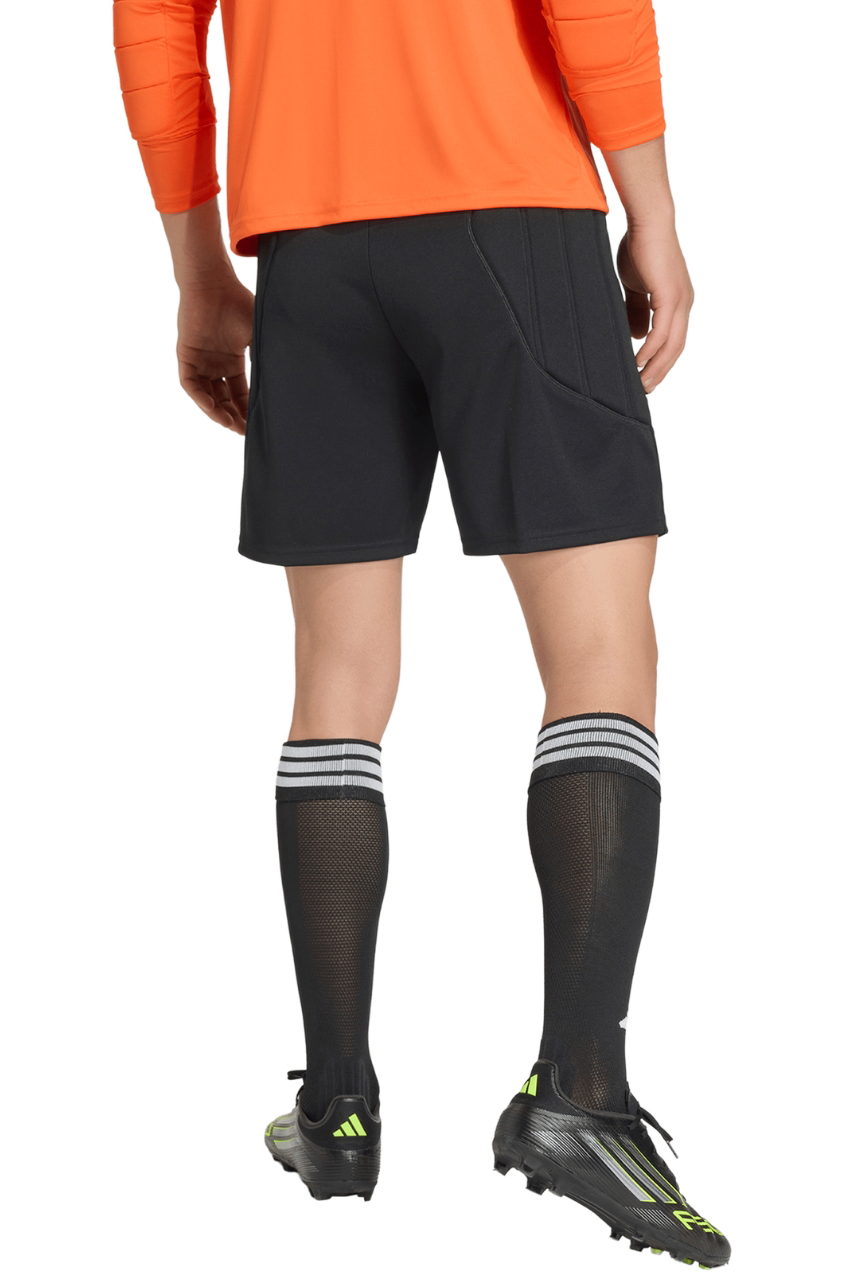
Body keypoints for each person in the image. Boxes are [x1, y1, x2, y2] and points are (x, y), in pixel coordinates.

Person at [114, 0, 728, 1266]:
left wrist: (196, 270)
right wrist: (653, 212)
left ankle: (337, 1105)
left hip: (310, 249)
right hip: (510, 201)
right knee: (600, 653)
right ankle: (578, 1091)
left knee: (335, 676)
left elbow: (154, 34)